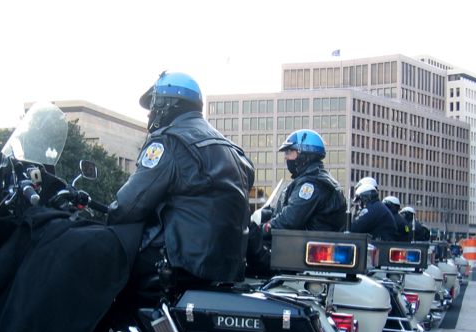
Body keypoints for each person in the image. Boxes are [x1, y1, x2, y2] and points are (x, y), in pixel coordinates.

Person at [107, 71, 255, 283]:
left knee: (98, 265)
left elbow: (129, 206)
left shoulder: (169, 142)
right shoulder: (233, 150)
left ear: (166, 103)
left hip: (180, 264)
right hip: (227, 267)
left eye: (153, 106)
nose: (150, 114)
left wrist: (108, 216)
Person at [246, 129, 347, 274]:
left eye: (289, 152)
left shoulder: (312, 183)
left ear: (303, 153)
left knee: (249, 234)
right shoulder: (314, 178)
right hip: (300, 249)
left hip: (299, 254)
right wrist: (268, 214)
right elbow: (290, 211)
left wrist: (262, 228)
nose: (286, 158)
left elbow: (290, 219)